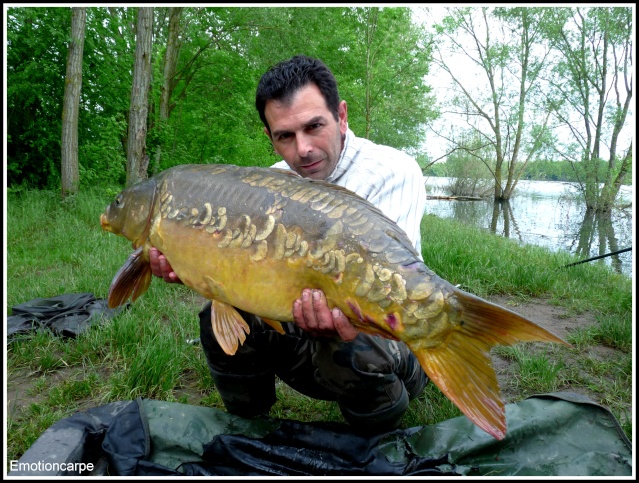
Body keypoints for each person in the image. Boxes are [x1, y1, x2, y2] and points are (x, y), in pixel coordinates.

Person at [150, 55, 429, 434]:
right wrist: (195, 267)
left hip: (388, 331)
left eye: (314, 126)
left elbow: (393, 286)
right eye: (285, 136)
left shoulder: (392, 170)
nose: (303, 150)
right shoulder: (269, 187)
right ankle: (251, 428)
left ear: (341, 115)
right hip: (300, 323)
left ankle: (379, 434)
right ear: (269, 137)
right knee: (217, 315)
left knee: (358, 342)